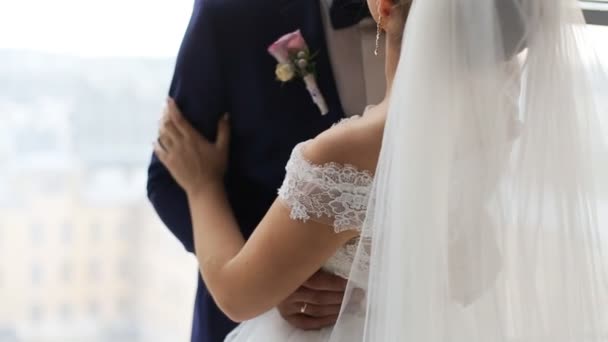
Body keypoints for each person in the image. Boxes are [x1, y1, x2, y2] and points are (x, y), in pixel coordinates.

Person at [157, 0, 608, 341]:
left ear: (385, 6)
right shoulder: (500, 124)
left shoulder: (342, 152)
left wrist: (201, 186)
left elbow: (237, 295)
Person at [153, 0, 411, 340]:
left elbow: (237, 292)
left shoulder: (336, 153)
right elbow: (170, 173)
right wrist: (280, 277)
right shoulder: (231, 12)